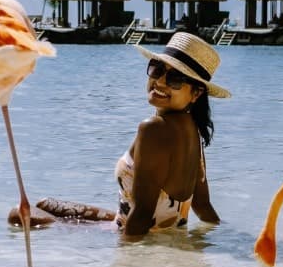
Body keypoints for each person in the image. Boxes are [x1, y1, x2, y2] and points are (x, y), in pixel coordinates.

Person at [13, 32, 230, 238]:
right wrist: (222, 238)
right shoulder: (193, 130)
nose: (161, 82)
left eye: (175, 79)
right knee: (45, 204)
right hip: (145, 226)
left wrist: (126, 258)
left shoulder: (153, 129)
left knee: (18, 213)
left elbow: (143, 214)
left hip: (131, 232)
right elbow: (203, 206)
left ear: (196, 93)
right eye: (157, 69)